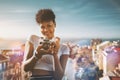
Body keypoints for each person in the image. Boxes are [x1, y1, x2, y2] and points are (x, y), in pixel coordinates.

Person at [22, 9, 70, 80]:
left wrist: (55, 54)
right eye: (42, 27)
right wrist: (36, 55)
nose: (46, 30)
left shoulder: (64, 48)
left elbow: (59, 77)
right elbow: (25, 68)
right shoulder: (33, 39)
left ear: (55, 24)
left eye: (49, 26)